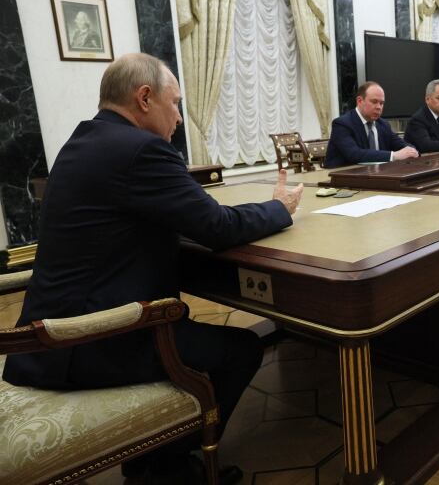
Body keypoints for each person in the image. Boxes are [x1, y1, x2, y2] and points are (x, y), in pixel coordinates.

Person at [2, 53, 304, 485]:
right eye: (175, 103)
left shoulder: (81, 142)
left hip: (47, 331)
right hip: (92, 338)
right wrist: (280, 208)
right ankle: (171, 467)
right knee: (241, 350)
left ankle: (150, 459)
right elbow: (218, 226)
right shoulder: (142, 150)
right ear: (145, 98)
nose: (179, 118)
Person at [324, 81, 418, 167]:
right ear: (360, 101)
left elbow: (403, 145)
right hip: (342, 179)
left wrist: (411, 151)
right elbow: (354, 155)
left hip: (376, 176)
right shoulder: (342, 124)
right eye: (374, 102)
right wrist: (393, 156)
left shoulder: (383, 124)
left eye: (381, 103)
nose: (379, 107)